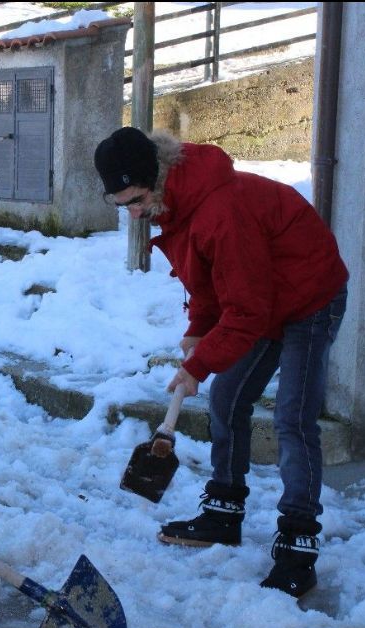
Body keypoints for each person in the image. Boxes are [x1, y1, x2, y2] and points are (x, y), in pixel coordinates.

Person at [93, 127, 348, 598]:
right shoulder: (179, 205)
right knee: (228, 400)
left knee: (293, 417)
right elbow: (211, 282)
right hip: (263, 298)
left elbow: (247, 309)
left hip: (310, 297)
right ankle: (223, 514)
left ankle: (298, 543)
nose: (132, 213)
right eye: (121, 204)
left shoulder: (219, 209)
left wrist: (198, 365)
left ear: (155, 179)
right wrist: (198, 329)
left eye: (134, 199)